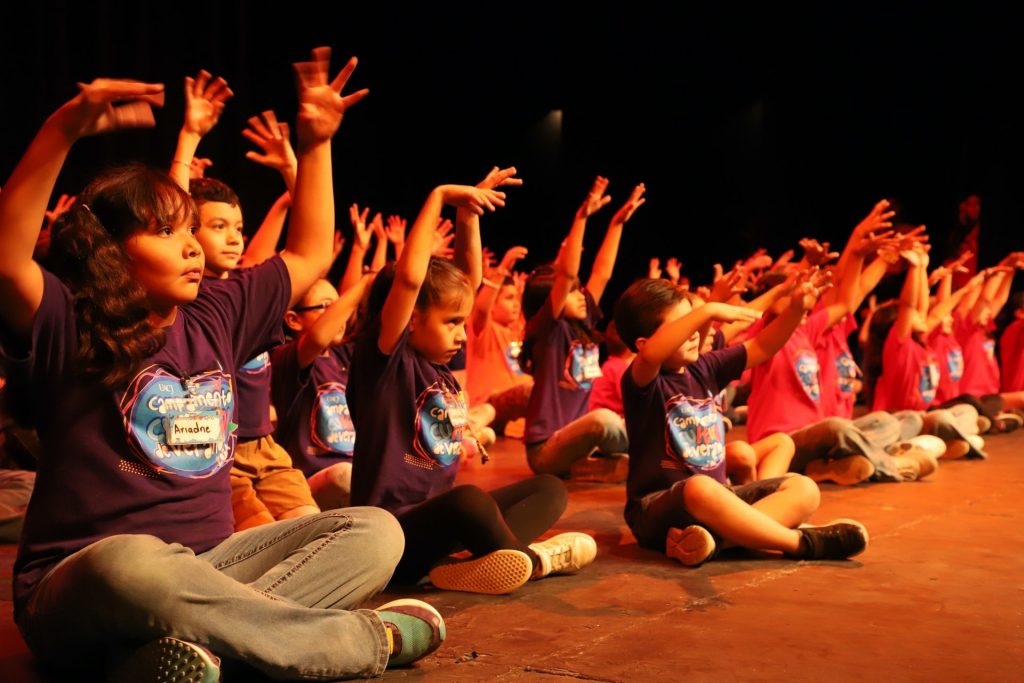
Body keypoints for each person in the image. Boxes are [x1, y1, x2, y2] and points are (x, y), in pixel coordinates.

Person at [0, 48, 443, 680]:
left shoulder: (216, 312)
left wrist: (317, 144)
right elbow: (6, 260)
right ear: (112, 251)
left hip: (212, 567)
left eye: (191, 231)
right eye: (165, 232)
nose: (191, 247)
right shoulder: (69, 320)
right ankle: (354, 642)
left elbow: (309, 253)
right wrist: (62, 128)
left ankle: (179, 655)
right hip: (84, 580)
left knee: (375, 532)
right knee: (130, 564)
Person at [348, 166, 596, 595]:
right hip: (391, 541)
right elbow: (410, 279)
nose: (462, 334)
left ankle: (473, 565)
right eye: (451, 323)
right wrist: (439, 195)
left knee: (548, 489)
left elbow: (468, 279)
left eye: (462, 322)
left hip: (438, 531)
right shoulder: (387, 363)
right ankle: (532, 560)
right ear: (411, 320)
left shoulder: (439, 367)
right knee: (469, 500)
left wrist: (468, 215)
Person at [614, 277, 869, 566]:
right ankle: (800, 543)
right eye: (683, 325)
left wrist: (796, 309)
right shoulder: (643, 382)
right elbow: (651, 355)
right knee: (700, 487)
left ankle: (714, 542)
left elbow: (762, 345)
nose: (696, 332)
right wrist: (708, 310)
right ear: (643, 342)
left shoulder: (704, 367)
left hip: (719, 503)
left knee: (804, 489)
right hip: (656, 510)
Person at [522, 177, 644, 481]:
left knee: (625, 433)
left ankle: (626, 461)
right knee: (606, 420)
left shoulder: (582, 325)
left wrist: (616, 224)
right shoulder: (547, 330)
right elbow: (567, 275)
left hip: (581, 445)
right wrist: (581, 218)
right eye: (572, 292)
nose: (580, 295)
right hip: (546, 449)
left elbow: (602, 273)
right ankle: (650, 450)